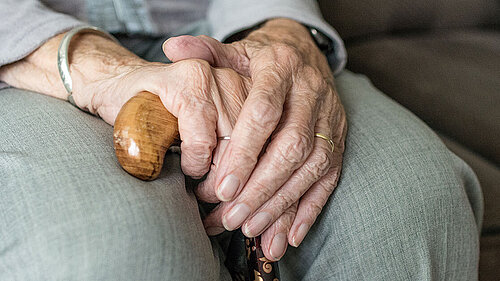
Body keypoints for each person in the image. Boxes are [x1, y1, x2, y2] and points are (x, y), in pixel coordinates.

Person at [0, 0, 482, 280]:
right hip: (22, 51)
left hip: (226, 34)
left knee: (414, 209)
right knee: (112, 254)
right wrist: (95, 66)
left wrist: (285, 29)